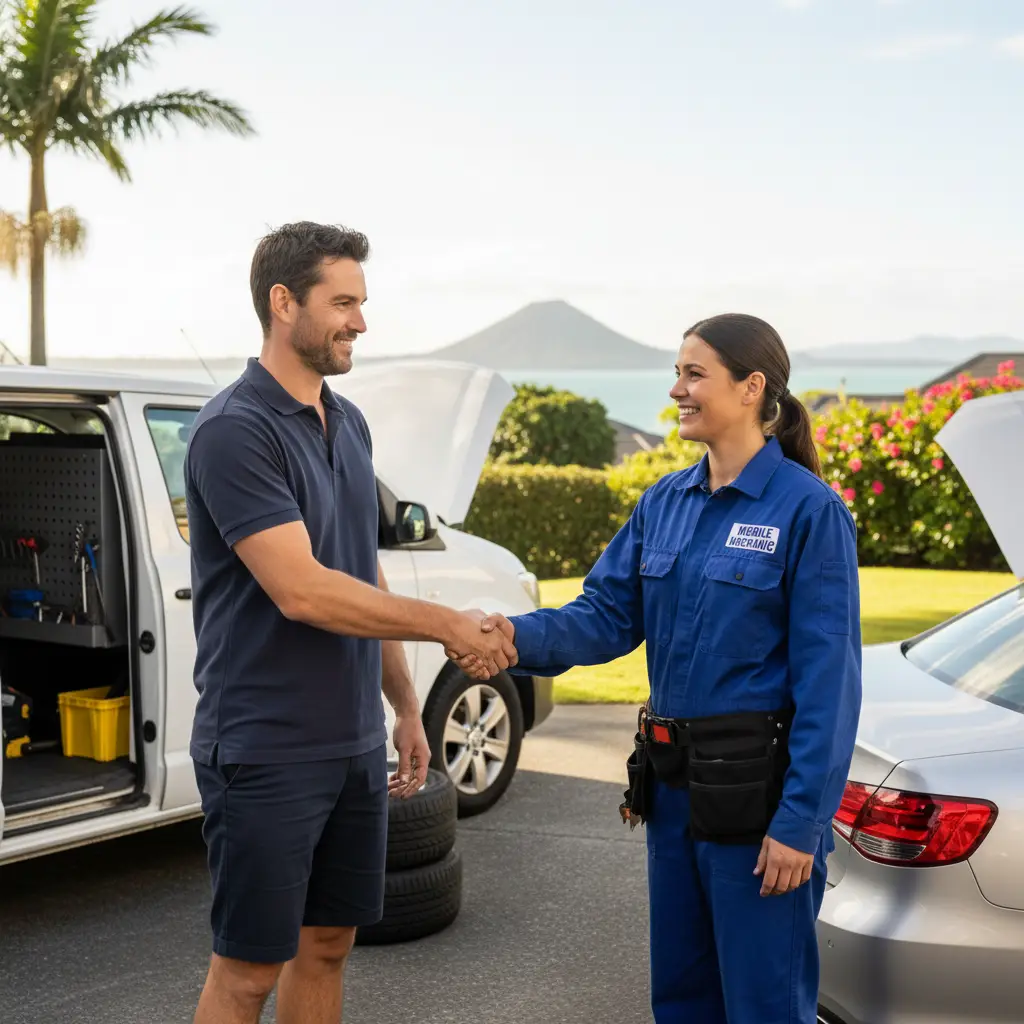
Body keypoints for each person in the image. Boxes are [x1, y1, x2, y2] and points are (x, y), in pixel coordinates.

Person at [466, 313, 862, 1023]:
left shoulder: (809, 511)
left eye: (693, 373)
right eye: (677, 372)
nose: (676, 389)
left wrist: (801, 822)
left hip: (758, 805)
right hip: (674, 793)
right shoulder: (664, 503)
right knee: (680, 1001)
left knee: (765, 1007)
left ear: (751, 387)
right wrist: (509, 636)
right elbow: (604, 616)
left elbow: (830, 684)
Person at [183, 221, 515, 1024]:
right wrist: (445, 624)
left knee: (328, 943)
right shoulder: (235, 431)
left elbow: (359, 570)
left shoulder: (350, 422)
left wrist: (403, 704)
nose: (360, 322)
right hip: (264, 746)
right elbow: (302, 590)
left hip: (351, 742)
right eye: (342, 303)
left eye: (362, 304)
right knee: (249, 970)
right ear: (282, 302)